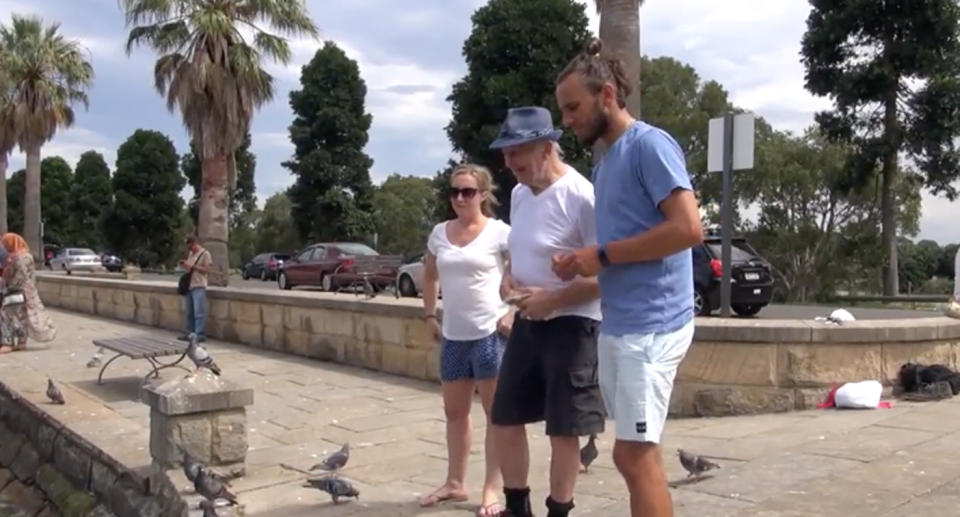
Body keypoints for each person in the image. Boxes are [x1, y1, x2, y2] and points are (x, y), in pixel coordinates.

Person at [552, 39, 704, 517]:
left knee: (632, 454)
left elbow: (687, 228)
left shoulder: (649, 146)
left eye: (574, 107)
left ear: (609, 95)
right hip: (620, 326)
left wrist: (602, 255)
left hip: (653, 327)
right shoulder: (605, 160)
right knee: (639, 454)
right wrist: (585, 262)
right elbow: (623, 240)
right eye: (564, 109)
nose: (567, 119)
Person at [488, 106, 605, 517]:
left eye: (517, 152)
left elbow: (608, 277)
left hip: (573, 326)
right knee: (504, 417)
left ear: (546, 147)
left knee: (564, 427)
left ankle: (559, 510)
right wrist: (509, 280)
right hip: (528, 322)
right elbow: (519, 255)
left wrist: (553, 299)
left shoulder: (583, 196)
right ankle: (517, 508)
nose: (509, 163)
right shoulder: (520, 196)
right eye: (505, 154)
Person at [419, 163, 513, 516]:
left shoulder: (500, 233)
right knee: (454, 412)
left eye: (468, 191)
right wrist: (430, 314)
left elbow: (522, 275)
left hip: (490, 331)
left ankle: (492, 488)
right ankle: (455, 482)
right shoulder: (440, 233)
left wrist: (512, 312)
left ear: (483, 195)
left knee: (495, 414)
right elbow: (429, 275)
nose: (460, 198)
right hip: (454, 336)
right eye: (455, 191)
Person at [0, 233, 56, 353]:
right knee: (20, 317)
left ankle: (9, 343)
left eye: (6, 243)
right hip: (23, 291)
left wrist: (9, 289)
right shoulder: (20, 255)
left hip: (19, 291)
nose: (4, 246)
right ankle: (20, 342)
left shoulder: (21, 257)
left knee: (8, 316)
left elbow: (21, 275)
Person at [178, 235, 211, 342]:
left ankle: (199, 334)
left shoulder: (205, 254)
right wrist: (185, 265)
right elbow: (190, 267)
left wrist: (193, 266)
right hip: (190, 285)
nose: (190, 249)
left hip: (199, 285)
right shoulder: (191, 254)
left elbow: (207, 269)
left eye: (191, 247)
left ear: (195, 243)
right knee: (190, 312)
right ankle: (190, 333)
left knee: (198, 312)